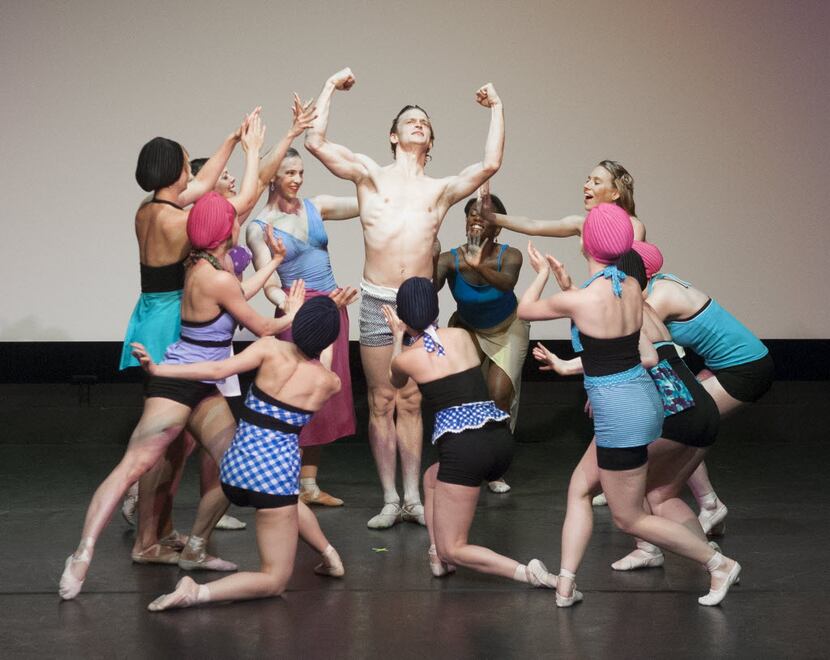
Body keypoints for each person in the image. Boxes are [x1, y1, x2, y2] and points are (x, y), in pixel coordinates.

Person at [59, 183, 309, 600]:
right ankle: (82, 554)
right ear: (225, 230)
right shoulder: (215, 274)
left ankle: (194, 547)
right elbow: (263, 327)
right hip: (180, 381)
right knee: (133, 467)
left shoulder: (201, 265)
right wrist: (293, 313)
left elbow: (238, 293)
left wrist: (274, 262)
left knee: (236, 464)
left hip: (200, 383)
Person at [305, 67, 505, 528]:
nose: (418, 124)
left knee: (412, 400)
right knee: (382, 402)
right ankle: (390, 499)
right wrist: (331, 86)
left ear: (429, 141)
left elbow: (489, 165)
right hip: (377, 300)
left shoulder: (440, 190)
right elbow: (316, 143)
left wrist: (497, 107)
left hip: (419, 306)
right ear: (393, 136)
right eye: (410, 120)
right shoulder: (369, 176)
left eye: (425, 122)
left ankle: (414, 497)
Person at [517, 203, 740, 607]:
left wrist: (543, 276)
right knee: (579, 488)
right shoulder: (632, 287)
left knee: (629, 517)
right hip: (642, 404)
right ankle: (565, 585)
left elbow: (525, 310)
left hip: (621, 416)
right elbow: (649, 356)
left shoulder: (586, 299)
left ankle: (716, 563)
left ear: (585, 244)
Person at [131, 297, 348, 611]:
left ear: (296, 326)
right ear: (329, 340)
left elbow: (217, 368)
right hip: (273, 480)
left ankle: (328, 556)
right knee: (274, 579)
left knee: (280, 502)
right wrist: (329, 331)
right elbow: (322, 364)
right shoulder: (330, 383)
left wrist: (159, 369)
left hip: (235, 470)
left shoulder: (268, 348)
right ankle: (197, 592)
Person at [533, 248, 720, 572]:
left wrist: (565, 366)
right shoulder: (641, 307)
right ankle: (704, 558)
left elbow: (614, 348)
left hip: (669, 409)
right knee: (660, 496)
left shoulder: (625, 310)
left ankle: (710, 560)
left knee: (609, 494)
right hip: (699, 407)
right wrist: (569, 288)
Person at [382, 277, 556, 587]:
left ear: (402, 315)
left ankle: (526, 572)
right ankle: (438, 557)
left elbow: (394, 378)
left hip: (466, 450)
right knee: (431, 478)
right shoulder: (461, 336)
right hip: (500, 440)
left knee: (456, 546)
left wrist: (399, 336)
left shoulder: (409, 358)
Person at [632, 240, 774, 536]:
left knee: (686, 425)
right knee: (687, 425)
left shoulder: (661, 297)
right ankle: (709, 505)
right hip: (724, 365)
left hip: (745, 368)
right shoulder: (656, 287)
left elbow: (634, 340)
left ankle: (703, 508)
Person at [247, 144, 360, 507]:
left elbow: (369, 199)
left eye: (300, 173)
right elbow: (269, 284)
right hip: (299, 313)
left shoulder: (318, 206)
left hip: (332, 309)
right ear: (273, 179)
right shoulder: (259, 227)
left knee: (324, 397)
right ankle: (285, 481)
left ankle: (309, 485)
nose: (296, 179)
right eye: (289, 173)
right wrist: (291, 308)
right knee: (295, 396)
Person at [435, 189, 529, 493]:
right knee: (466, 395)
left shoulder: (510, 255)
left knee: (499, 394)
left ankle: (496, 468)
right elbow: (428, 289)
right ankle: (467, 458)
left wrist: (478, 266)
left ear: (497, 226)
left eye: (484, 215)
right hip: (469, 329)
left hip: (507, 328)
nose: (476, 218)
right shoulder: (450, 259)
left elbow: (506, 284)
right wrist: (427, 256)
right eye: (471, 214)